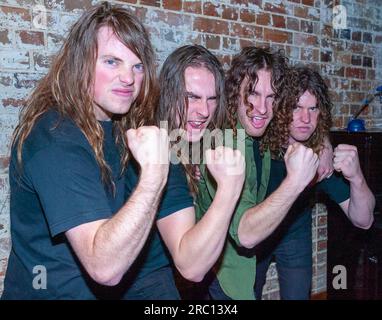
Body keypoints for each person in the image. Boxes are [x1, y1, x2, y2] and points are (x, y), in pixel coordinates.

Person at [2, 2, 171, 299]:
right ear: (81, 64)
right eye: (111, 62)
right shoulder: (55, 137)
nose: (128, 78)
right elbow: (105, 266)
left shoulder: (116, 127)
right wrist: (155, 175)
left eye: (137, 66)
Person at [196, 47, 334, 300]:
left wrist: (324, 140)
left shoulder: (262, 132)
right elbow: (246, 234)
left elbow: (304, 111)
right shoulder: (225, 144)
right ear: (235, 93)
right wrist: (296, 181)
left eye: (271, 97)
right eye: (253, 94)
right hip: (225, 281)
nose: (262, 107)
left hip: (245, 274)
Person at [124, 44, 245, 299]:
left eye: (211, 99)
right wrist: (230, 187)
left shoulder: (175, 135)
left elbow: (247, 117)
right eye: (191, 97)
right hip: (142, 285)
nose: (204, 111)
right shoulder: (160, 150)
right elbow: (191, 266)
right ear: (168, 93)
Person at [254, 66, 375, 300]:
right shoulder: (260, 140)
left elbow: (364, 220)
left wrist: (356, 176)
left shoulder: (319, 155)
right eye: (296, 107)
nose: (305, 118)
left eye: (313, 108)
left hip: (294, 231)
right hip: (253, 227)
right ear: (281, 108)